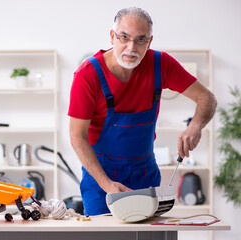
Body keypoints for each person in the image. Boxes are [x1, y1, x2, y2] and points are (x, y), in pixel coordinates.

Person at [68, 7, 217, 216]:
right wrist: (108, 185)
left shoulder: (160, 64)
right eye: (124, 37)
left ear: (150, 41)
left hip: (145, 175)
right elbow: (76, 137)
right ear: (112, 37)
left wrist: (195, 125)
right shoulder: (88, 75)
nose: (131, 47)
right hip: (102, 180)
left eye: (140, 40)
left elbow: (207, 98)